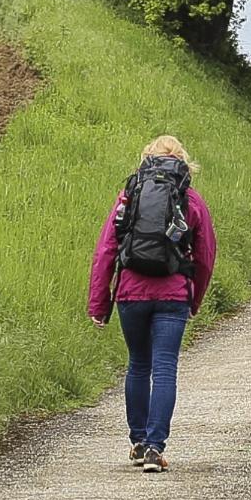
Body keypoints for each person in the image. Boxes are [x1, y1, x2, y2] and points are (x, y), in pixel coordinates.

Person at [88, 135, 217, 474]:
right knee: (164, 369)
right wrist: (195, 298)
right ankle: (155, 449)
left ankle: (138, 440)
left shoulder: (128, 197)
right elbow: (204, 256)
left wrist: (99, 304)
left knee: (138, 365)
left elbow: (106, 251)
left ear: (146, 161)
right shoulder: (191, 201)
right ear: (183, 164)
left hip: (131, 293)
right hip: (173, 295)